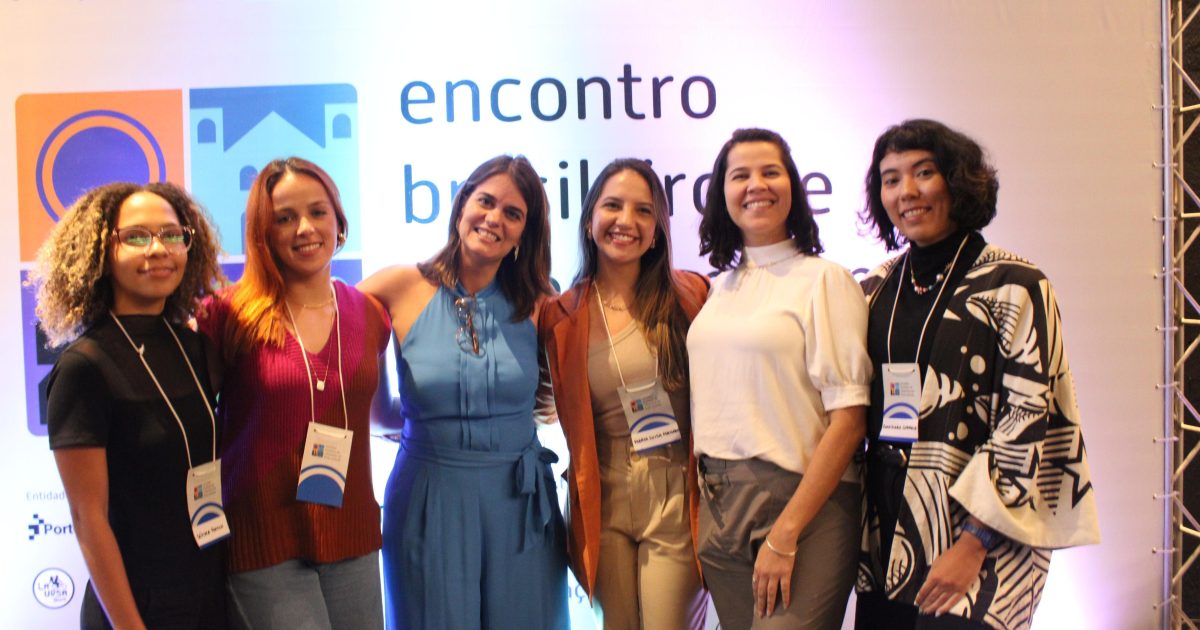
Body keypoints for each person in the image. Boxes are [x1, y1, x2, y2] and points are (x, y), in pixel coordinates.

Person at [854, 119, 1100, 630]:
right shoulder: (876, 287)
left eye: (924, 172)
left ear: (959, 181)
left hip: (981, 540)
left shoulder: (1015, 284)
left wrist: (974, 542)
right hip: (886, 534)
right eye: (891, 179)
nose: (907, 191)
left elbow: (1028, 419)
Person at [360, 155, 567, 629]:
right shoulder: (397, 286)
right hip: (428, 495)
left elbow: (554, 401)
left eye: (512, 213)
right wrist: (419, 423)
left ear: (525, 232)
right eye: (485, 201)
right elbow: (333, 338)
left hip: (521, 502)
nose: (494, 219)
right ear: (462, 206)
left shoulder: (542, 303)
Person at [687, 128, 871, 630]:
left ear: (793, 185)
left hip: (804, 505)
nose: (756, 185)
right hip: (720, 506)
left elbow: (849, 421)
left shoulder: (825, 280)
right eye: (740, 175)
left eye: (771, 172)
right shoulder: (717, 290)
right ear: (721, 194)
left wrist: (786, 532)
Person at [197, 158, 390, 629]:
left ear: (338, 221)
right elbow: (192, 426)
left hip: (353, 536)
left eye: (317, 212)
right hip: (264, 542)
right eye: (285, 218)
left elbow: (382, 412)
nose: (305, 228)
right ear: (263, 232)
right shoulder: (228, 315)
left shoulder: (369, 313)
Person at [36, 182, 226, 629]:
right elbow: (89, 519)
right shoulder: (84, 366)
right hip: (134, 605)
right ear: (102, 252)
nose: (158, 249)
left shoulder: (195, 348)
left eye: (172, 235)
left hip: (208, 593)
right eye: (137, 236)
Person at [538, 158, 709, 629]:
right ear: (589, 219)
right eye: (613, 205)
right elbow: (542, 401)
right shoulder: (560, 315)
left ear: (657, 232)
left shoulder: (692, 297)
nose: (626, 221)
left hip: (675, 490)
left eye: (643, 211)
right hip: (601, 494)